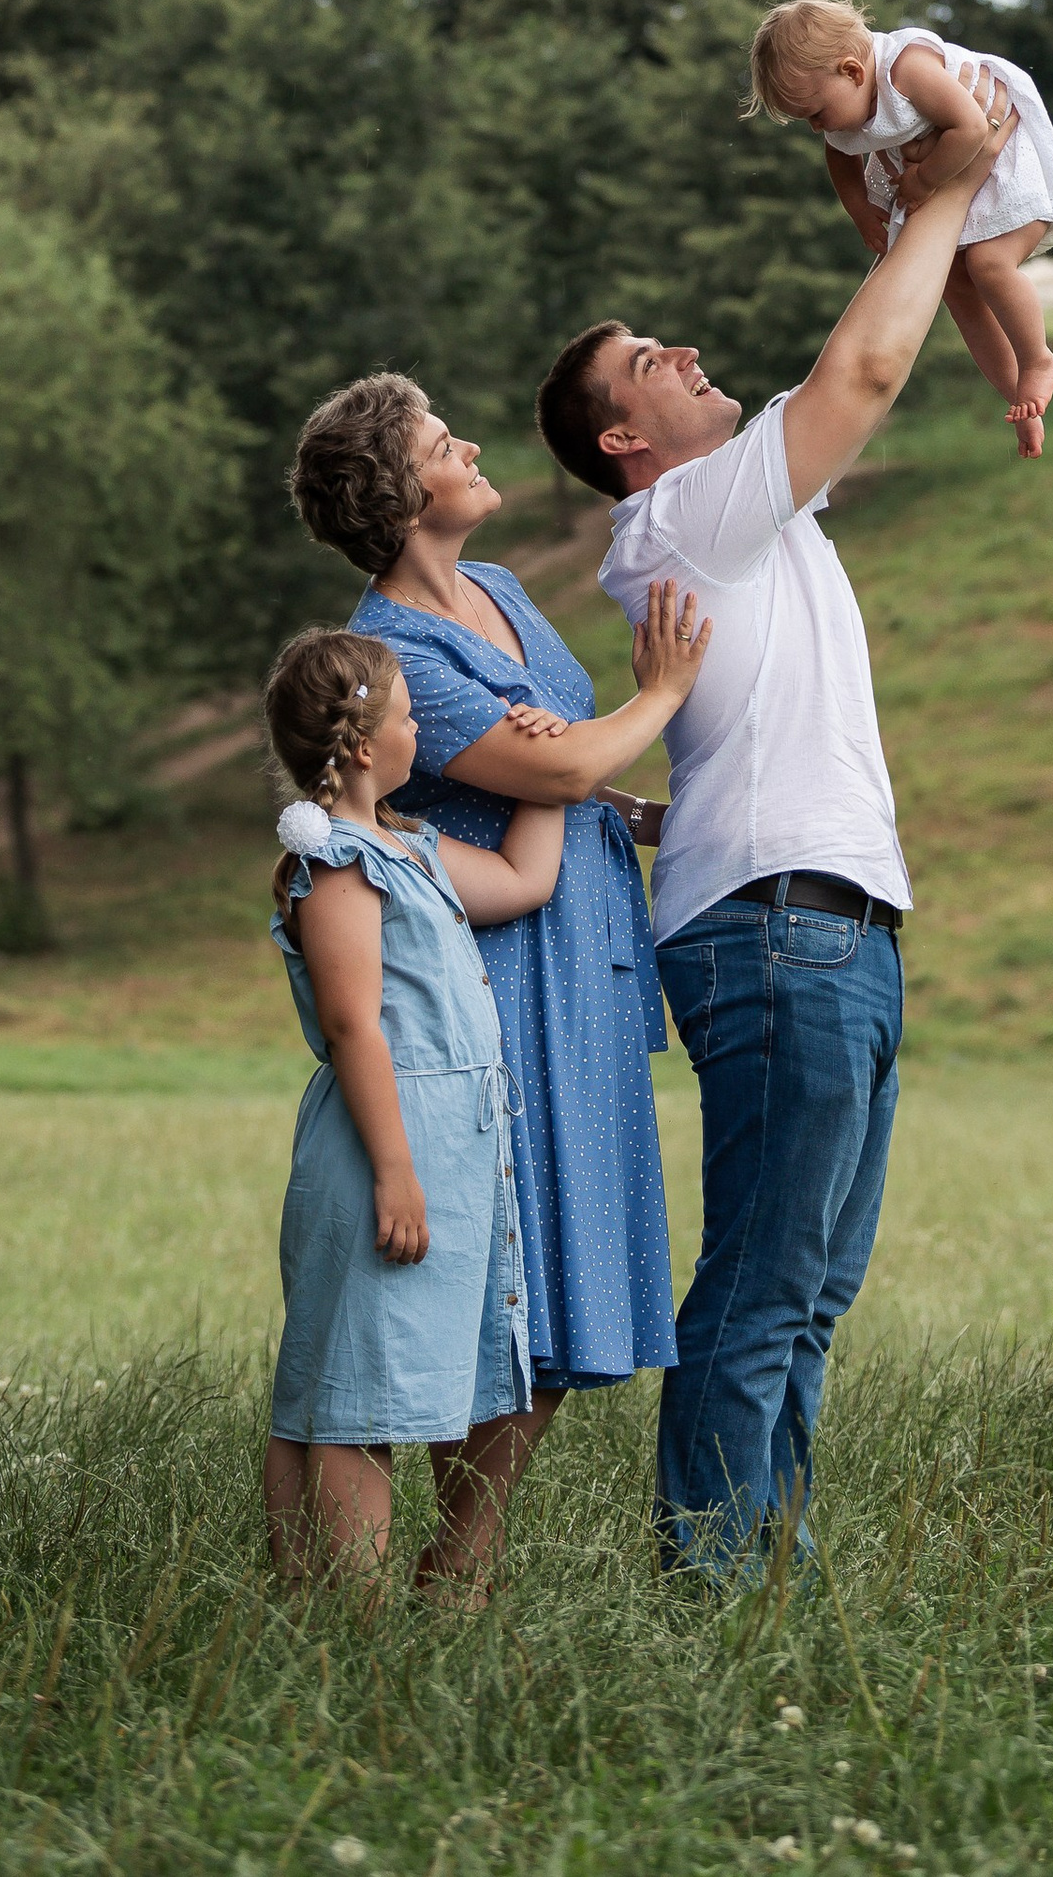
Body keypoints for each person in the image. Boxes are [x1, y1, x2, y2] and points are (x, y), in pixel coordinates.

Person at [534, 63, 1014, 1582]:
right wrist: (941, 189)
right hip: (780, 936)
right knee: (758, 1288)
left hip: (833, 925)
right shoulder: (680, 516)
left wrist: (898, 193)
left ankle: (761, 1580)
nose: (682, 349)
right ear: (627, 441)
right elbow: (860, 377)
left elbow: (877, 337)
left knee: (804, 1290)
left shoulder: (757, 513)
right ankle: (711, 1593)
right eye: (646, 362)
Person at [290, 373, 713, 1500]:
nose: (469, 445)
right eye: (441, 441)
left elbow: (574, 777)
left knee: (571, 1262)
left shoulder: (502, 587)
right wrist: (662, 693)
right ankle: (461, 1552)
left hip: (583, 959)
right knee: (513, 1268)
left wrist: (640, 816)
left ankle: (467, 1551)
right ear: (397, 490)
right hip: (505, 975)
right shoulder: (392, 649)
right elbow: (559, 759)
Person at [260, 627, 562, 1590]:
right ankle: (350, 1623)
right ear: (359, 744)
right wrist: (397, 1169)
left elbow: (523, 881)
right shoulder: (343, 863)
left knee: (387, 1373)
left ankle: (330, 1608)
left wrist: (545, 767)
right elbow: (355, 1025)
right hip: (391, 1147)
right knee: (357, 1389)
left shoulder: (411, 848)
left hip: (447, 1148)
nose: (420, 728)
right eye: (406, 715)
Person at [747, 0, 1053, 452]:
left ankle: (1038, 358)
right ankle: (1018, 395)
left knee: (987, 262)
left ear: (853, 72)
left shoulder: (907, 70)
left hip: (1010, 161)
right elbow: (840, 160)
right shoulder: (843, 111)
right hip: (957, 166)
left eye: (816, 113)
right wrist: (862, 212)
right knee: (954, 285)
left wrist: (922, 179)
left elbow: (973, 129)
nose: (817, 128)